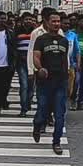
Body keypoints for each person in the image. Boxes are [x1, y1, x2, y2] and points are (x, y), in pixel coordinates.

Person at [31, 12, 71, 155]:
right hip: (45, 82)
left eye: (58, 21)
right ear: (47, 22)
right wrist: (39, 68)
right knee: (42, 110)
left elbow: (65, 60)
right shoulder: (41, 39)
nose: (56, 24)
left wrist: (68, 80)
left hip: (60, 81)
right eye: (53, 21)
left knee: (60, 115)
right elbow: (35, 56)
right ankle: (37, 126)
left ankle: (56, 142)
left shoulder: (64, 40)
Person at [14, 12, 37, 117]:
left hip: (32, 61)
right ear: (22, 20)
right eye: (26, 19)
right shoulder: (17, 31)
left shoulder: (36, 32)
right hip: (21, 61)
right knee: (24, 85)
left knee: (31, 86)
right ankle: (23, 108)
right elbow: (13, 45)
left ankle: (28, 102)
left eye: (30, 19)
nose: (29, 21)